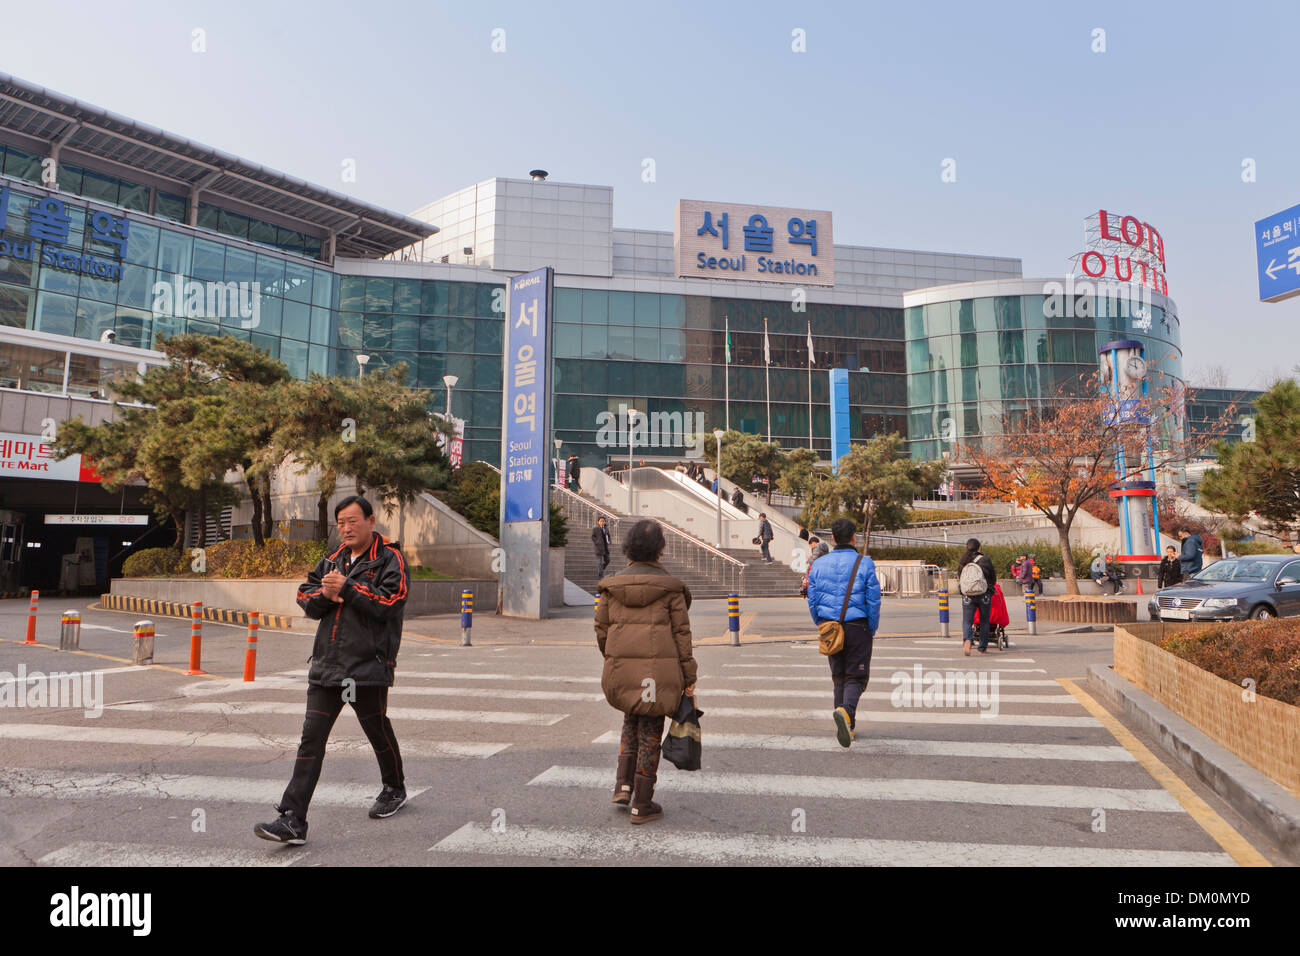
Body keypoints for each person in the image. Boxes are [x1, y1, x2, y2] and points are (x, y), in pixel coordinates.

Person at [255, 495, 409, 846]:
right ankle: (293, 819)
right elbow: (305, 598)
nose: (346, 527)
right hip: (327, 666)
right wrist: (327, 595)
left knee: (376, 730)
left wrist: (348, 589)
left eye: (353, 520)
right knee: (312, 738)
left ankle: (394, 786)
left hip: (366, 667)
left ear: (371, 521)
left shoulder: (390, 558)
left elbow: (391, 603)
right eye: (341, 522)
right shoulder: (332, 560)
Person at [594, 519, 697, 824]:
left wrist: (614, 658)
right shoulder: (671, 589)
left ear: (628, 548)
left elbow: (601, 630)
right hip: (657, 676)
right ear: (659, 550)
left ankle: (623, 785)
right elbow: (682, 636)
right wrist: (689, 676)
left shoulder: (611, 587)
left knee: (630, 719)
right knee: (651, 730)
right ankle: (642, 802)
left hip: (621, 669)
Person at [806, 518, 882, 747]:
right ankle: (847, 713)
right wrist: (872, 626)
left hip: (829, 626)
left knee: (838, 677)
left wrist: (820, 622)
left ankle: (847, 725)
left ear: (832, 538)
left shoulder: (819, 564)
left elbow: (813, 598)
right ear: (853, 537)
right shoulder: (865, 563)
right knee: (856, 677)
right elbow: (874, 600)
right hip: (858, 626)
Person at [956, 537, 996, 656]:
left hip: (968, 595)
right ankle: (982, 648)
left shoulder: (963, 561)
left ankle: (967, 640)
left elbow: (960, 578)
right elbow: (993, 577)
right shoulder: (985, 560)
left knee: (967, 621)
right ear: (979, 548)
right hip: (984, 594)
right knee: (984, 622)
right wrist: (990, 589)